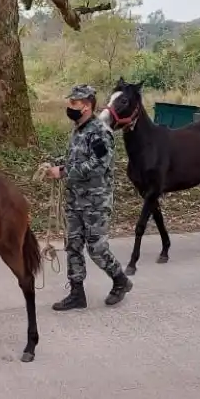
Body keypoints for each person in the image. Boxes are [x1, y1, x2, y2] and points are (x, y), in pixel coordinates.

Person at [47, 84, 132, 311]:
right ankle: (77, 294)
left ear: (86, 106)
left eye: (74, 103)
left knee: (96, 248)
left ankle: (121, 280)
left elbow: (98, 165)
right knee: (73, 245)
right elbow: (78, 160)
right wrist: (58, 166)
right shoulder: (78, 130)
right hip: (75, 199)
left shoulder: (100, 132)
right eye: (70, 102)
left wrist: (63, 172)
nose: (69, 107)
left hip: (95, 201)